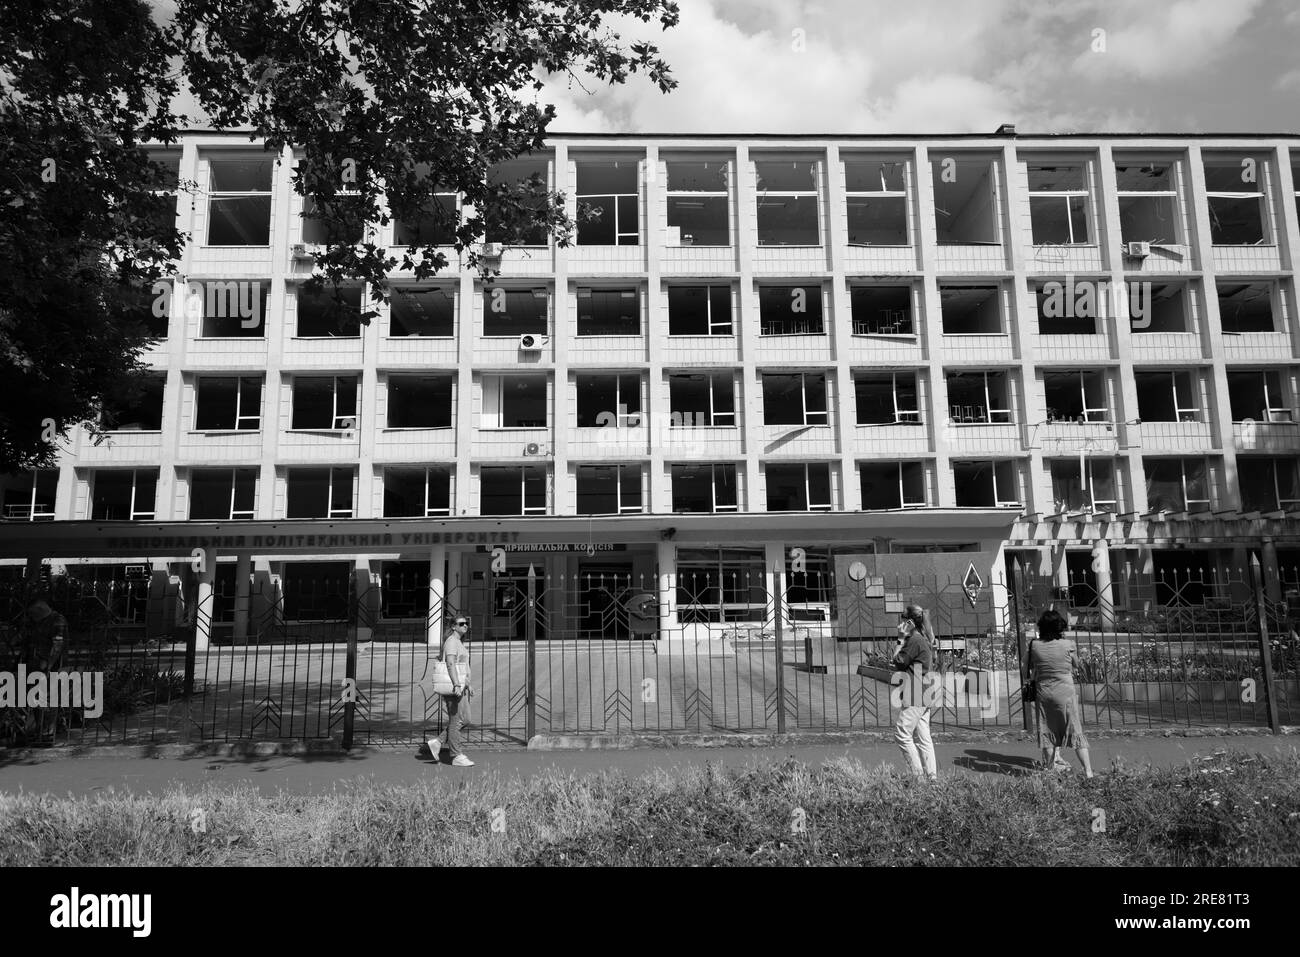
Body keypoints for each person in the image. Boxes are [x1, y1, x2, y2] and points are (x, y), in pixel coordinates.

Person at [1023, 609, 1094, 778]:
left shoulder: (1034, 645)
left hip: (1044, 692)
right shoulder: (1068, 645)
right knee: (1075, 729)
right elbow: (1076, 665)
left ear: (1042, 627)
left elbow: (1025, 667)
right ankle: (1089, 772)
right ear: (1060, 627)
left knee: (1047, 729)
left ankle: (1049, 771)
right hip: (1066, 692)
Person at [892, 603, 937, 781]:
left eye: (903, 620)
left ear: (909, 621)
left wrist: (900, 639)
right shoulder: (925, 637)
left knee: (902, 735)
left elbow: (897, 661)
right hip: (925, 692)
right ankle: (932, 778)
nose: (901, 623)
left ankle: (918, 777)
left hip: (916, 692)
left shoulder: (914, 640)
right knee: (924, 736)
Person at [426, 616, 475, 767]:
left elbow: (462, 667)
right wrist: (456, 685)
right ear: (454, 626)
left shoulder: (458, 641)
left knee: (465, 719)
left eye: (466, 623)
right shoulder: (452, 642)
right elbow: (450, 663)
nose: (465, 625)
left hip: (460, 685)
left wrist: (467, 684)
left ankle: (438, 741)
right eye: (461, 624)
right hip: (454, 687)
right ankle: (456, 755)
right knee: (456, 720)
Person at [19, 599, 68, 741]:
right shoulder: (37, 622)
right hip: (36, 664)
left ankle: (47, 731)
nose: (32, 616)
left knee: (46, 697)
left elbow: (58, 644)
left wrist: (50, 663)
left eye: (33, 613)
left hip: (50, 665)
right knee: (36, 697)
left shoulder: (57, 620)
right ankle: (47, 727)